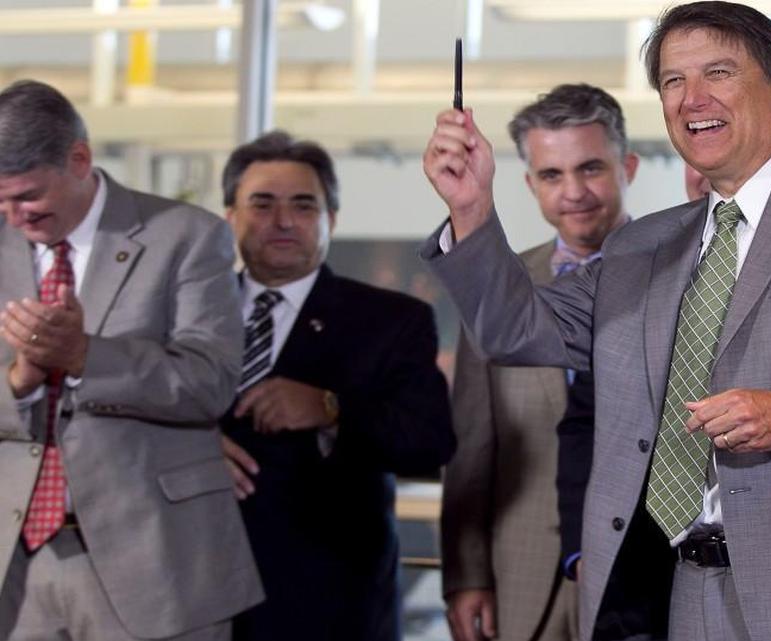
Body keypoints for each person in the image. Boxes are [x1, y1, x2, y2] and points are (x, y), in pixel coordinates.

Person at [422, 2, 771, 639]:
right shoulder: (640, 247)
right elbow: (514, 330)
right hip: (686, 597)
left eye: (718, 73)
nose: (692, 97)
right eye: (673, 80)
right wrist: (472, 209)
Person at [0, 79, 262, 640]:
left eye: (26, 196)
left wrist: (84, 356)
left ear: (79, 160)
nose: (12, 215)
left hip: (156, 566)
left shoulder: (187, 237)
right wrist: (19, 379)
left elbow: (210, 382)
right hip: (15, 572)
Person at [218, 130, 455, 641]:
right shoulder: (186, 314)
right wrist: (190, 447)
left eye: (303, 205)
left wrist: (332, 409)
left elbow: (429, 441)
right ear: (230, 216)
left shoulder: (391, 320)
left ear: (332, 219)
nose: (283, 220)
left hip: (329, 605)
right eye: (262, 204)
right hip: (194, 596)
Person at [442, 83, 644, 641]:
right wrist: (465, 575)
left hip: (644, 571)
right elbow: (472, 444)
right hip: (522, 572)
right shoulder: (497, 289)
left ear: (627, 167)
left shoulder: (680, 274)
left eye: (591, 168)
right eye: (552, 175)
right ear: (531, 185)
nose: (573, 192)